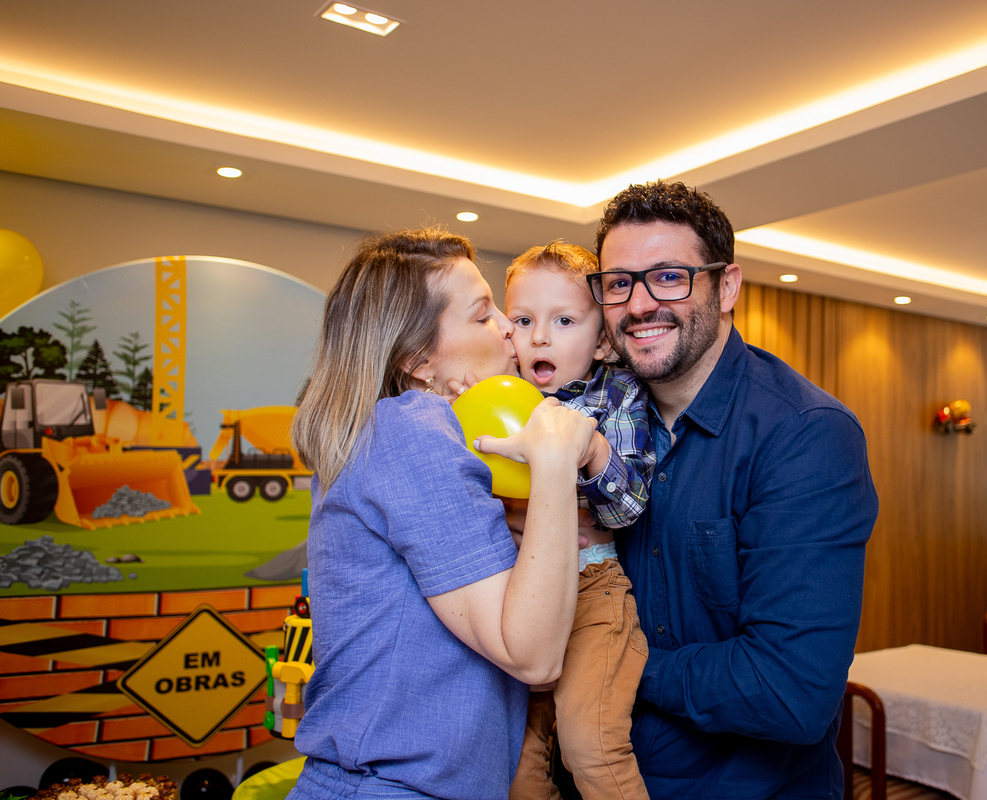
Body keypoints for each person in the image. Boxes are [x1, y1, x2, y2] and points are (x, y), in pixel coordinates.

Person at [591, 181, 878, 799]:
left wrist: (605, 662)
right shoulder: (591, 421)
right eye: (618, 283)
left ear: (726, 288)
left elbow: (790, 690)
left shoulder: (804, 434)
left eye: (669, 277)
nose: (638, 305)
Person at [288, 229, 596, 800]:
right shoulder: (411, 430)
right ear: (418, 358)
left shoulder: (389, 431)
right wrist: (556, 458)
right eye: (483, 316)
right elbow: (534, 656)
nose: (509, 328)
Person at [503, 242, 653, 800]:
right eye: (523, 321)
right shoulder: (494, 393)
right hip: (516, 595)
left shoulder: (616, 395)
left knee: (590, 746)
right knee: (514, 762)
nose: (539, 337)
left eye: (563, 321)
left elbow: (629, 506)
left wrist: (588, 450)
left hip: (592, 590)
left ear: (603, 341)